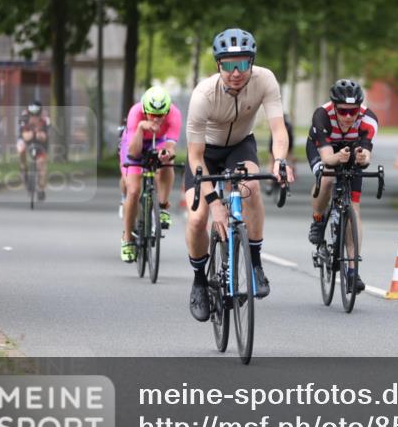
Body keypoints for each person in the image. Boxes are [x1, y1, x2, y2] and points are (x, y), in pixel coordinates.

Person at [185, 28, 294, 322]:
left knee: (252, 188)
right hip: (204, 153)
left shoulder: (265, 80)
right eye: (229, 65)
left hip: (239, 146)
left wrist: (280, 160)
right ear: (218, 65)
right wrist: (215, 204)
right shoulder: (202, 96)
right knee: (197, 219)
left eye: (243, 64)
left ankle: (255, 264)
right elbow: (194, 157)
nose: (236, 72)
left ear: (252, 63)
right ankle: (198, 282)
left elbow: (278, 129)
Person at [306, 79, 379, 292]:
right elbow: (328, 158)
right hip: (324, 149)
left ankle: (352, 271)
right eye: (343, 111)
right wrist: (337, 157)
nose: (348, 116)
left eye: (353, 111)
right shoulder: (322, 115)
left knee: (354, 208)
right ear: (334, 107)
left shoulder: (369, 119)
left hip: (350, 149)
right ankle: (318, 219)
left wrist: (363, 158)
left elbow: (366, 154)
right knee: (327, 179)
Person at [119, 86, 182, 263]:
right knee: (133, 191)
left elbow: (170, 146)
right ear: (145, 109)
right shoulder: (135, 113)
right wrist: (140, 128)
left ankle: (162, 206)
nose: (156, 118)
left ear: (167, 111)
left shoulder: (174, 114)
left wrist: (166, 153)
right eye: (152, 114)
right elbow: (133, 152)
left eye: (160, 115)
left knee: (167, 162)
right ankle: (127, 239)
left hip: (159, 142)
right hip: (134, 143)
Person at [17, 100, 50, 201]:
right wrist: (32, 134)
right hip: (26, 138)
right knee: (21, 149)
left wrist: (40, 135)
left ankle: (41, 188)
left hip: (41, 142)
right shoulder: (24, 117)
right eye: (32, 114)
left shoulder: (46, 119)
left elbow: (45, 136)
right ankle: (23, 168)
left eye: (37, 114)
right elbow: (24, 135)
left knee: (42, 164)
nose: (34, 116)